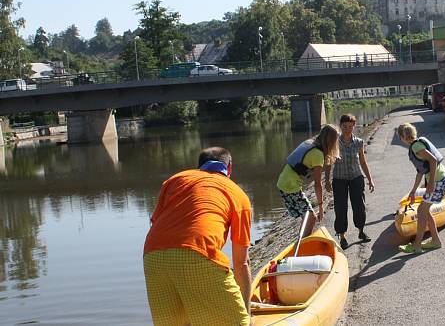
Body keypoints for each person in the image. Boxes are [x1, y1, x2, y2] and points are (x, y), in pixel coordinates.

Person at [143, 147, 252, 326]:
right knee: (236, 323)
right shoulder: (238, 194)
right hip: (197, 253)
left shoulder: (175, 180)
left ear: (199, 167)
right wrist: (246, 314)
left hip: (153, 256)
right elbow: (241, 263)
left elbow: (155, 222)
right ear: (229, 168)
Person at [278, 124, 340, 240]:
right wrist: (321, 206)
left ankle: (302, 242)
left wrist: (327, 180)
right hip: (289, 186)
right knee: (310, 217)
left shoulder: (311, 143)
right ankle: (302, 245)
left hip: (286, 182)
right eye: (336, 140)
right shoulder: (318, 155)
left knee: (308, 216)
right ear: (331, 141)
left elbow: (327, 164)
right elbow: (317, 184)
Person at [397, 123, 445, 254]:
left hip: (438, 181)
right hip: (440, 179)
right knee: (425, 211)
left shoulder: (416, 146)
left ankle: (416, 245)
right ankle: (436, 241)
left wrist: (431, 183)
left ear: (402, 137)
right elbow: (420, 171)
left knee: (421, 210)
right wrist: (413, 191)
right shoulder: (417, 145)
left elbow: (433, 161)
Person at [325, 114, 375, 249]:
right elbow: (329, 162)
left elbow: (363, 162)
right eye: (345, 126)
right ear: (340, 126)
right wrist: (327, 180)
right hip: (339, 179)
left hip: (356, 177)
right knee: (340, 208)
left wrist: (370, 179)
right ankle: (342, 236)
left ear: (354, 126)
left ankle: (361, 231)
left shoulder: (359, 142)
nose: (348, 129)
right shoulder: (334, 142)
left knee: (359, 206)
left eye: (350, 126)